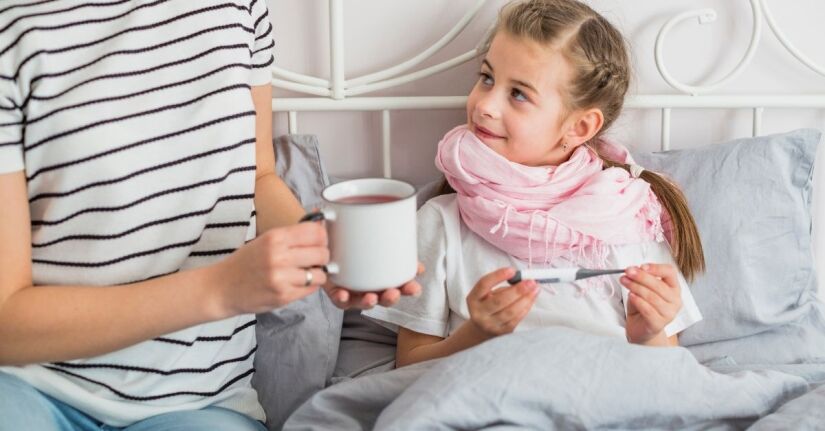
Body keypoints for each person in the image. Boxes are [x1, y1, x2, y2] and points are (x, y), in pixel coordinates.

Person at [0, 1, 419, 429]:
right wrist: (219, 289)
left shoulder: (240, 10)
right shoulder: (11, 30)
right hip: (33, 386)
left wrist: (322, 253)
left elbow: (257, 177)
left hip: (199, 402)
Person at [363, 0, 706, 368]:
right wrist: (477, 334)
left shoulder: (629, 215)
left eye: (518, 94)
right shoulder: (440, 222)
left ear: (579, 127)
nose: (485, 105)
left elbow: (669, 369)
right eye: (487, 78)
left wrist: (648, 335)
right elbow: (410, 365)